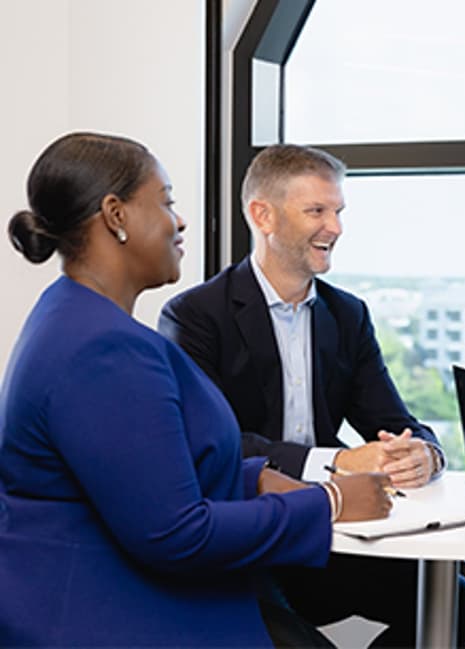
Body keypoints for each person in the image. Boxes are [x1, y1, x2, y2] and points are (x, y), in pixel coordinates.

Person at [0, 132, 393, 648]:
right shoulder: (105, 349)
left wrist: (253, 478)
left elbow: (156, 475)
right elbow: (173, 534)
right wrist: (331, 501)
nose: (179, 220)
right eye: (165, 202)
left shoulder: (74, 315)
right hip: (106, 613)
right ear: (115, 216)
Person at [158, 143, 465, 647]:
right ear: (262, 214)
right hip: (249, 539)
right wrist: (338, 462)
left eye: (338, 211)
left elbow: (395, 420)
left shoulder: (347, 315)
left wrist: (423, 453)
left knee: (462, 605)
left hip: (327, 537)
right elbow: (213, 448)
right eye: (317, 210)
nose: (335, 227)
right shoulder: (195, 317)